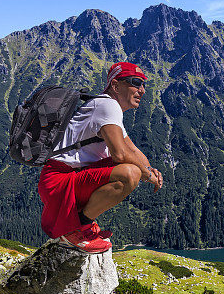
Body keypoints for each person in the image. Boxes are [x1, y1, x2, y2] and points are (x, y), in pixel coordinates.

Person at [37, 62, 163, 253]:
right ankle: (77, 230)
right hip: (60, 180)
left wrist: (151, 170)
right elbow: (120, 154)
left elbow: (133, 150)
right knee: (130, 174)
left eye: (144, 84)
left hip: (69, 177)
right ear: (115, 86)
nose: (142, 90)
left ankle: (82, 225)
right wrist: (146, 174)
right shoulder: (108, 105)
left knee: (134, 168)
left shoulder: (108, 108)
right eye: (136, 83)